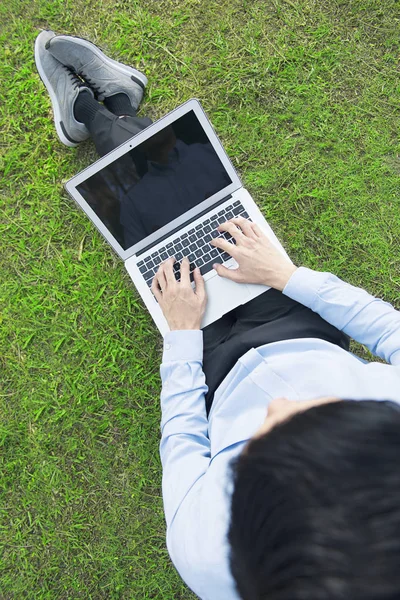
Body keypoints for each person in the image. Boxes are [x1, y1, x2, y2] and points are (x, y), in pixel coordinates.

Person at [35, 30, 400, 600]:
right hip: (301, 323)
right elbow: (391, 333)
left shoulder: (205, 556)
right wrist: (287, 276)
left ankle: (105, 108)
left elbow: (182, 440)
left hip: (208, 367)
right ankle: (103, 113)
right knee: (205, 209)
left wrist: (181, 337)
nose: (276, 403)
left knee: (151, 220)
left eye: (257, 447)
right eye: (322, 409)